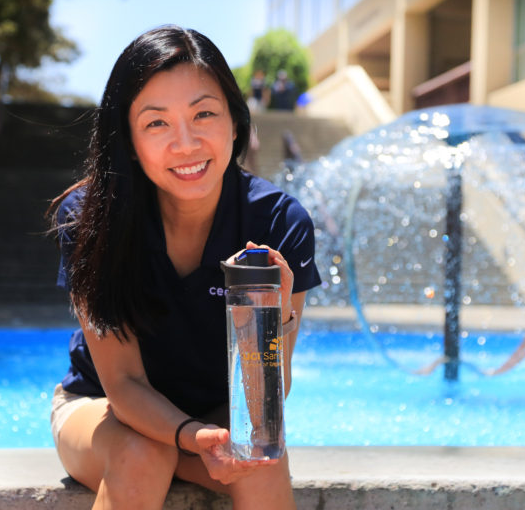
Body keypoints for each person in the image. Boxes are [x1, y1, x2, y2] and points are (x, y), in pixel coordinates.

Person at [46, 25, 320, 509]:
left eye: (204, 114)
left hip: (221, 412)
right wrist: (190, 437)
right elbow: (123, 383)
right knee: (141, 455)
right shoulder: (91, 218)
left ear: (235, 123)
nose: (186, 143)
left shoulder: (278, 221)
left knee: (261, 461)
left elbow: (264, 404)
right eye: (157, 123)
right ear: (128, 139)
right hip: (103, 408)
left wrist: (273, 322)